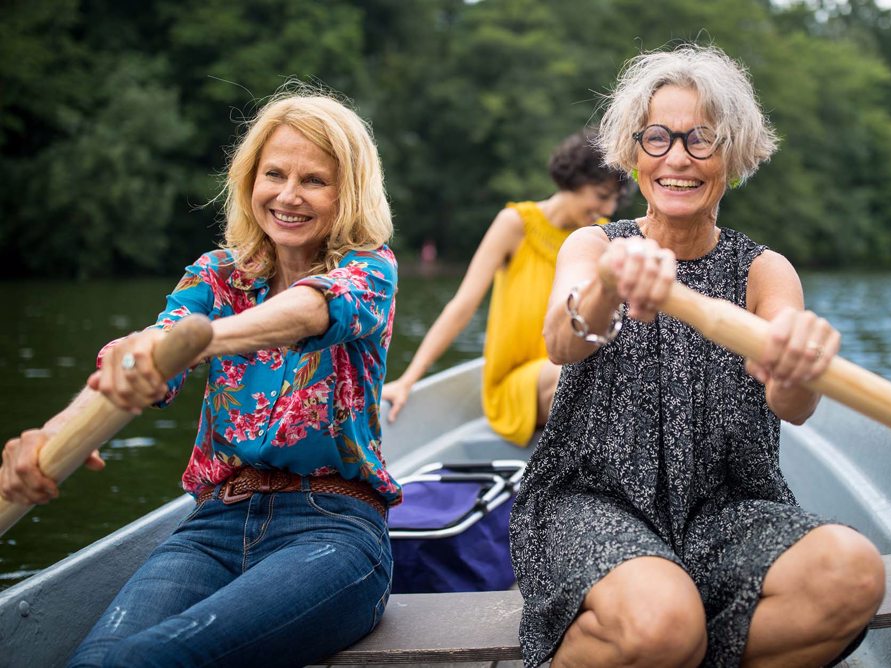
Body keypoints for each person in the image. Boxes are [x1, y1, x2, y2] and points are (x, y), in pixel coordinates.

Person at [509, 45, 886, 668]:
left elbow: (793, 406)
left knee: (854, 573)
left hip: (723, 509)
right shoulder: (593, 244)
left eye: (701, 139)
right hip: (592, 502)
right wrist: (610, 283)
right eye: (656, 138)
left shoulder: (765, 271)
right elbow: (561, 339)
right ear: (632, 155)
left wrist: (798, 361)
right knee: (663, 622)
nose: (677, 157)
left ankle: (679, 653)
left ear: (734, 157)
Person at [0, 88, 399, 667]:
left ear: (349, 193)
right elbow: (145, 357)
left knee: (152, 660)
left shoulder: (370, 268)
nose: (288, 195)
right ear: (250, 180)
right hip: (214, 522)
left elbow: (314, 310)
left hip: (334, 532)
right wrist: (51, 434)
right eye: (274, 174)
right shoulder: (217, 275)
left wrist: (205, 341)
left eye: (314, 180)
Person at [382, 129, 629, 445]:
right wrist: (408, 380)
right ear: (574, 180)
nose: (607, 209)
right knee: (573, 375)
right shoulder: (516, 223)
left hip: (572, 365)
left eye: (614, 200)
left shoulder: (601, 236)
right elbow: (463, 306)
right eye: (601, 195)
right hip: (516, 383)